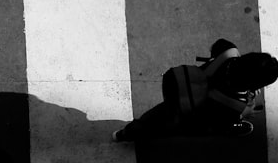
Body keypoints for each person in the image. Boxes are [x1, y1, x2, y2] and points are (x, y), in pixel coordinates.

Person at [113, 38, 278, 142]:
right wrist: (244, 113)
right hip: (188, 110)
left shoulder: (229, 52)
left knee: (153, 118)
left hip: (181, 83)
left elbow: (217, 45)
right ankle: (236, 126)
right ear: (255, 85)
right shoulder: (235, 105)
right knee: (175, 125)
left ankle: (125, 134)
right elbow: (218, 123)